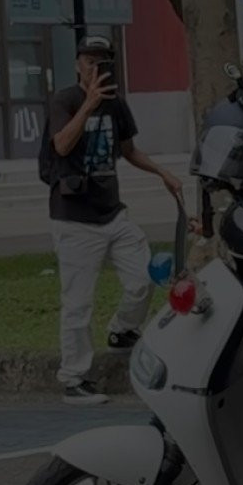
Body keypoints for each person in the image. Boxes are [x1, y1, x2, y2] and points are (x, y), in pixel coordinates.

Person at [41, 35, 183, 405]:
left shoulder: (116, 104)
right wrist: (88, 105)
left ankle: (122, 331)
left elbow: (129, 151)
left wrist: (162, 172)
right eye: (89, 61)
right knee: (78, 303)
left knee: (143, 278)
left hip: (112, 213)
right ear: (77, 65)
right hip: (74, 218)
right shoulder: (65, 101)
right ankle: (73, 378)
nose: (96, 68)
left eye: (102, 62)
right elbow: (61, 145)